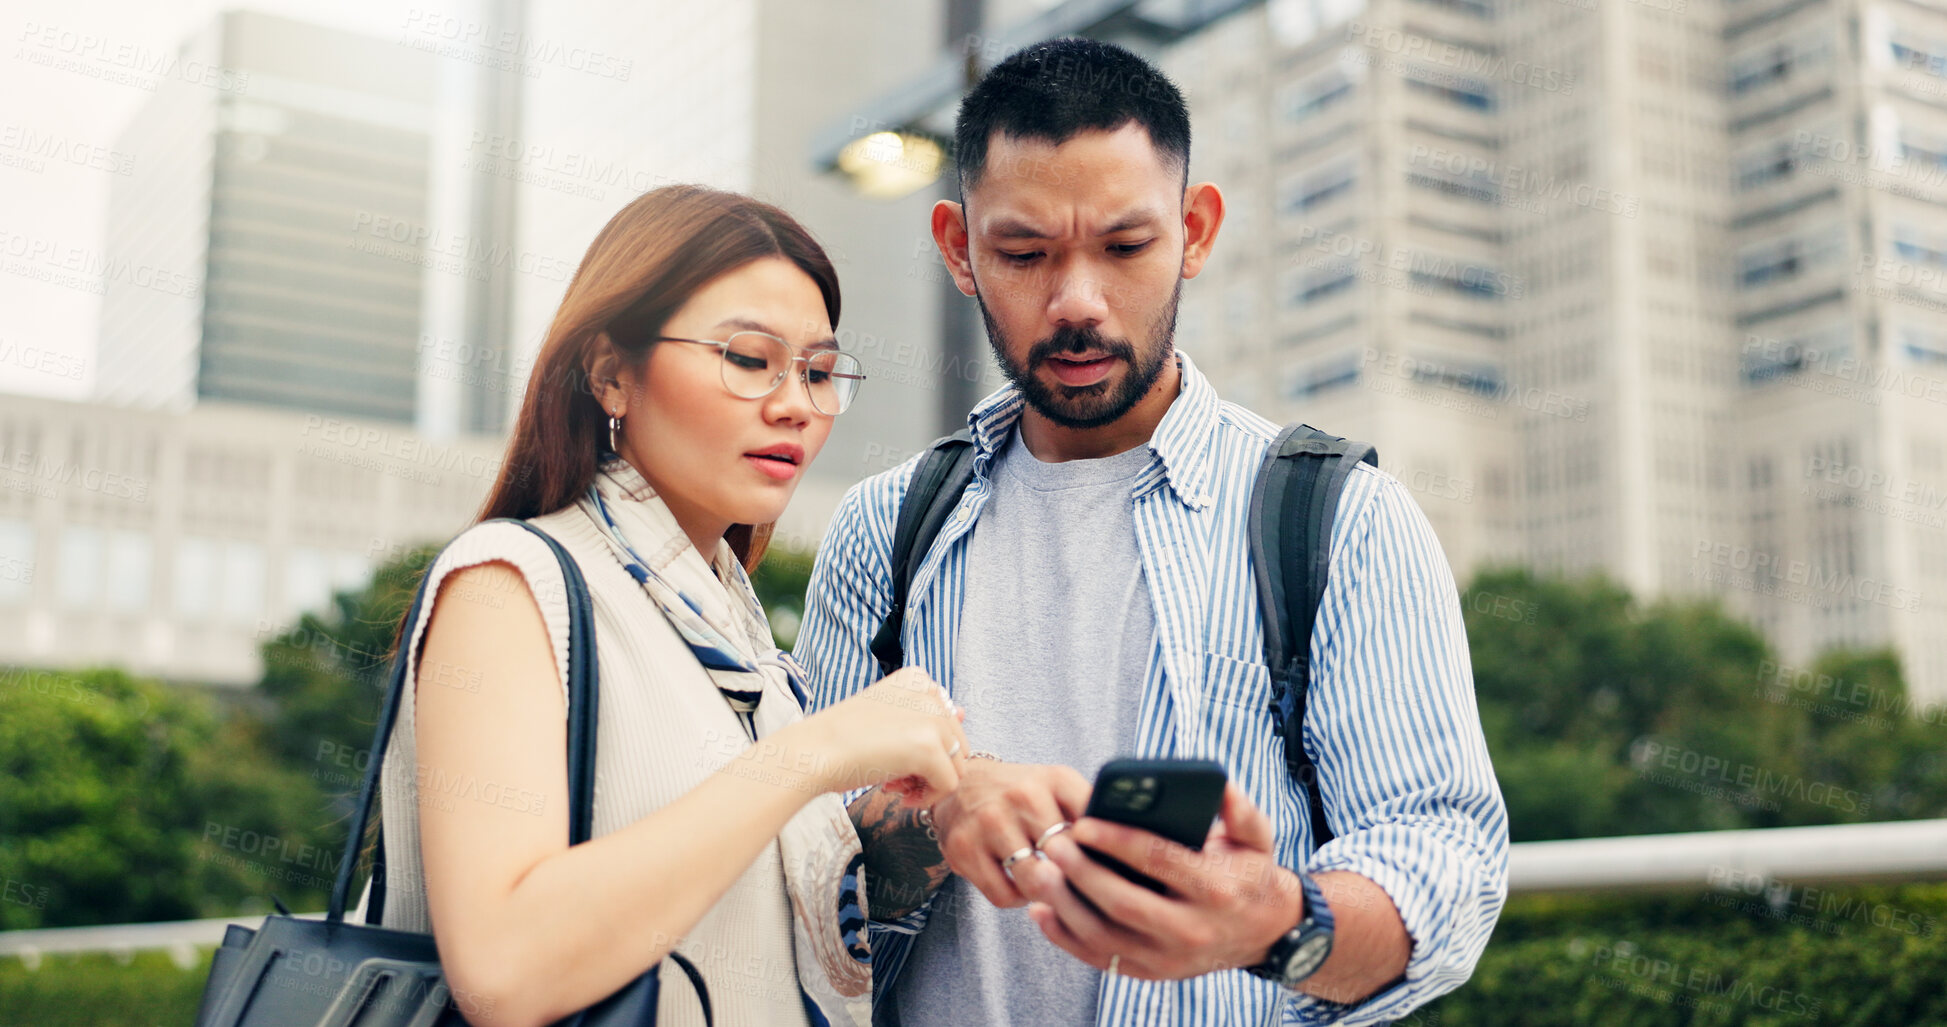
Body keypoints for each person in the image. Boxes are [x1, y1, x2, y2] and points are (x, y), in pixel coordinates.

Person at [795, 39, 1508, 1026]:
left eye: (1125, 247)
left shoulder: (1340, 520)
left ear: (1196, 230)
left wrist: (1273, 920)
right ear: (959, 249)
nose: (1077, 301)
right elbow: (795, 855)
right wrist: (931, 814)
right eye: (1024, 253)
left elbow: (1446, 865)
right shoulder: (881, 531)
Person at [369, 185, 968, 1027]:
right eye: (750, 358)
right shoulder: (510, 586)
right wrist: (820, 747)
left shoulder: (743, 646)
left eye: (820, 371)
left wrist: (948, 815)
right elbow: (505, 968)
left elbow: (741, 919)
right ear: (612, 372)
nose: (797, 402)